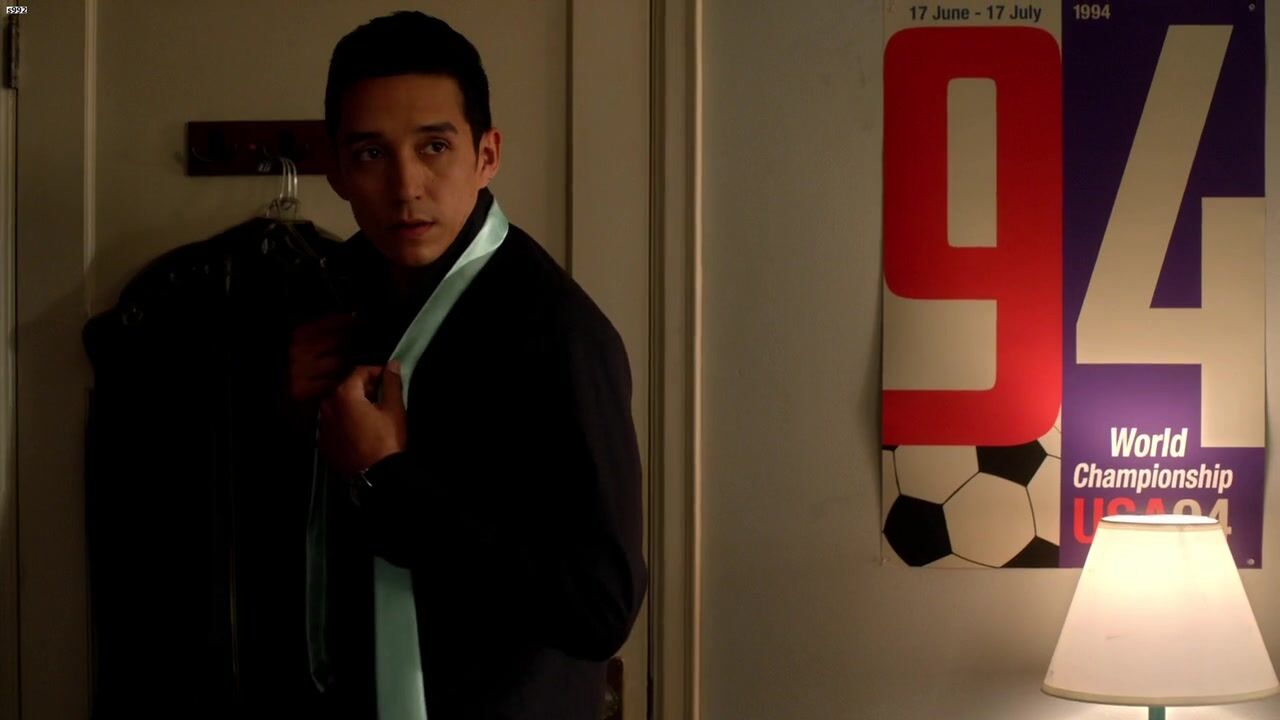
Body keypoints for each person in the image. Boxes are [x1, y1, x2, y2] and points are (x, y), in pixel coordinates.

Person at [287, 11, 647, 720]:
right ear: (336, 170)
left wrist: (387, 477)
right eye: (371, 153)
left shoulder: (560, 334)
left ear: (487, 155)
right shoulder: (330, 296)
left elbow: (600, 609)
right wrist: (283, 407)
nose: (406, 186)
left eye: (434, 147)